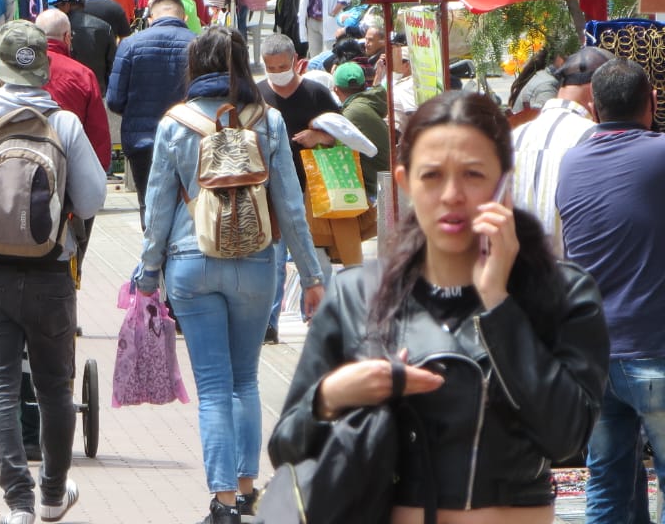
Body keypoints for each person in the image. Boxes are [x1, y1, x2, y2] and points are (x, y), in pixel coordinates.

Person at [272, 90, 609, 524]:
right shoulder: (358, 294)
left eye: (473, 174)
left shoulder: (563, 292)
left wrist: (499, 305)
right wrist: (333, 395)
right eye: (432, 176)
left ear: (505, 180)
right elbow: (286, 447)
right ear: (404, 181)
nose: (452, 195)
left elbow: (566, 437)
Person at [135, 27, 325, 523]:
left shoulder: (175, 123)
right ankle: (246, 491)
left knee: (214, 387)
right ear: (243, 64)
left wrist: (147, 272)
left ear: (195, 66)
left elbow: (156, 207)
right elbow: (290, 204)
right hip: (258, 260)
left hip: (191, 262)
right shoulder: (270, 121)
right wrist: (310, 276)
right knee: (246, 380)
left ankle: (221, 505)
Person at [0, 20, 106, 524]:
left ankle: (18, 503)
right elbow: (93, 199)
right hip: (52, 270)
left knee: (1, 386)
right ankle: (53, 493)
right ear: (45, 69)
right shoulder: (64, 124)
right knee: (54, 387)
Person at [556, 57, 665, 523]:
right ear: (652, 102)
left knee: (606, 480)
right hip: (652, 350)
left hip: (592, 355)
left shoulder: (573, 160)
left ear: (594, 110)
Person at [258, 33, 341, 344]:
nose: (277, 71)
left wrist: (317, 137)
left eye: (282, 65)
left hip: (313, 191)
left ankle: (318, 321)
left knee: (315, 261)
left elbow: (343, 135)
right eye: (270, 66)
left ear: (295, 62)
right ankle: (269, 323)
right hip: (270, 193)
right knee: (274, 262)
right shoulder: (258, 94)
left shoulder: (316, 93)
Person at [510, 45, 609, 256]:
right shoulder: (595, 140)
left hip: (518, 278)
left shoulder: (514, 137)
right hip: (573, 281)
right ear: (595, 90)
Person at [107, 0, 196, 226]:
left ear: (150, 18)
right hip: (190, 138)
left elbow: (115, 100)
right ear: (183, 17)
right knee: (190, 206)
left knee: (149, 205)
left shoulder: (130, 45)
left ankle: (153, 258)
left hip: (143, 141)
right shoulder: (199, 44)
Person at [36, 9, 111, 169]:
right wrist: (99, 170)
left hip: (26, 164)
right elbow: (97, 131)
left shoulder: (18, 71)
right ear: (67, 37)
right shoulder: (83, 74)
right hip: (71, 164)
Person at [331, 62, 390, 199]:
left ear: (336, 90)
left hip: (374, 192)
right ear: (364, 86)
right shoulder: (367, 103)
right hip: (383, 184)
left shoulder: (351, 113)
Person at [51, 0, 116, 94]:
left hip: (65, 90)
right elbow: (113, 65)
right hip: (97, 91)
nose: (58, 10)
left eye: (59, 6)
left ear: (67, 5)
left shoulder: (55, 28)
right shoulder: (105, 27)